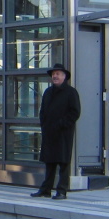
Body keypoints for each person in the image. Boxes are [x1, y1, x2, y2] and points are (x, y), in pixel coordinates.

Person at [31, 63, 81, 200]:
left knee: (63, 162)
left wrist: (61, 124)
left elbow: (75, 112)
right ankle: (46, 189)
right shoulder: (48, 92)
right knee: (50, 162)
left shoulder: (71, 92)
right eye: (53, 74)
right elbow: (43, 111)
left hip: (63, 133)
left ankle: (62, 190)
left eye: (58, 74)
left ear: (64, 76)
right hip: (49, 132)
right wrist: (45, 125)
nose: (55, 76)